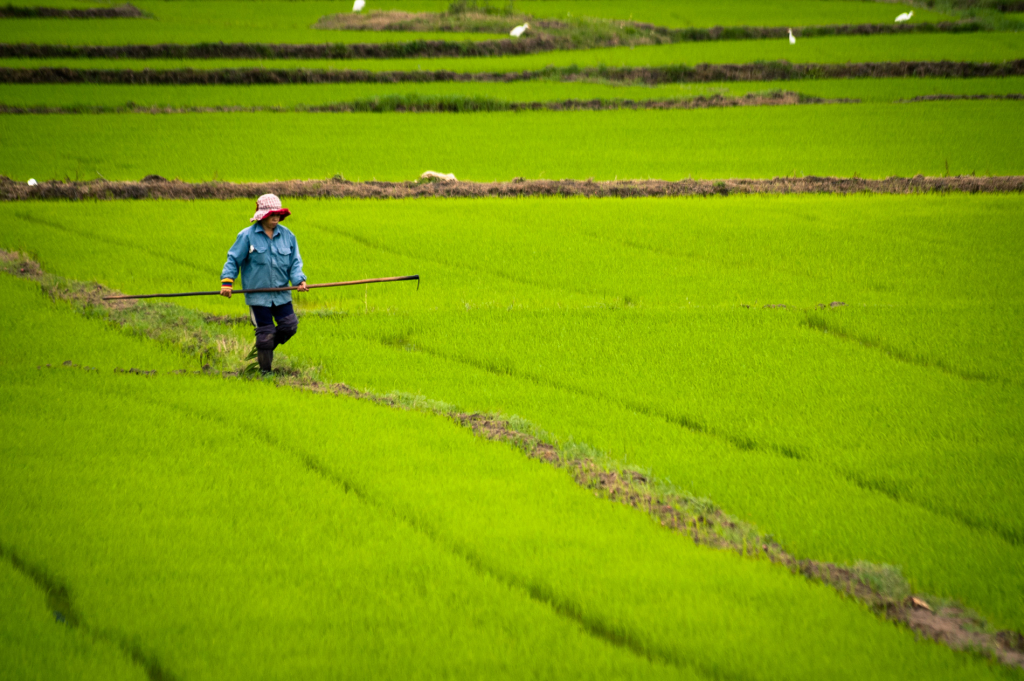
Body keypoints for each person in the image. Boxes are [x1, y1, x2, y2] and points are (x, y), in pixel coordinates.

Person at [220, 194, 308, 374]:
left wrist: (300, 280)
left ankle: (264, 348)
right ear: (262, 215)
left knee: (289, 326)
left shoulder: (288, 236)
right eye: (271, 215)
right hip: (258, 296)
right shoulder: (246, 236)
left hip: (281, 294)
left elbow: (295, 262)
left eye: (278, 214)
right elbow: (233, 260)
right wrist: (227, 283)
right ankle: (265, 373)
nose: (275, 218)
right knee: (266, 334)